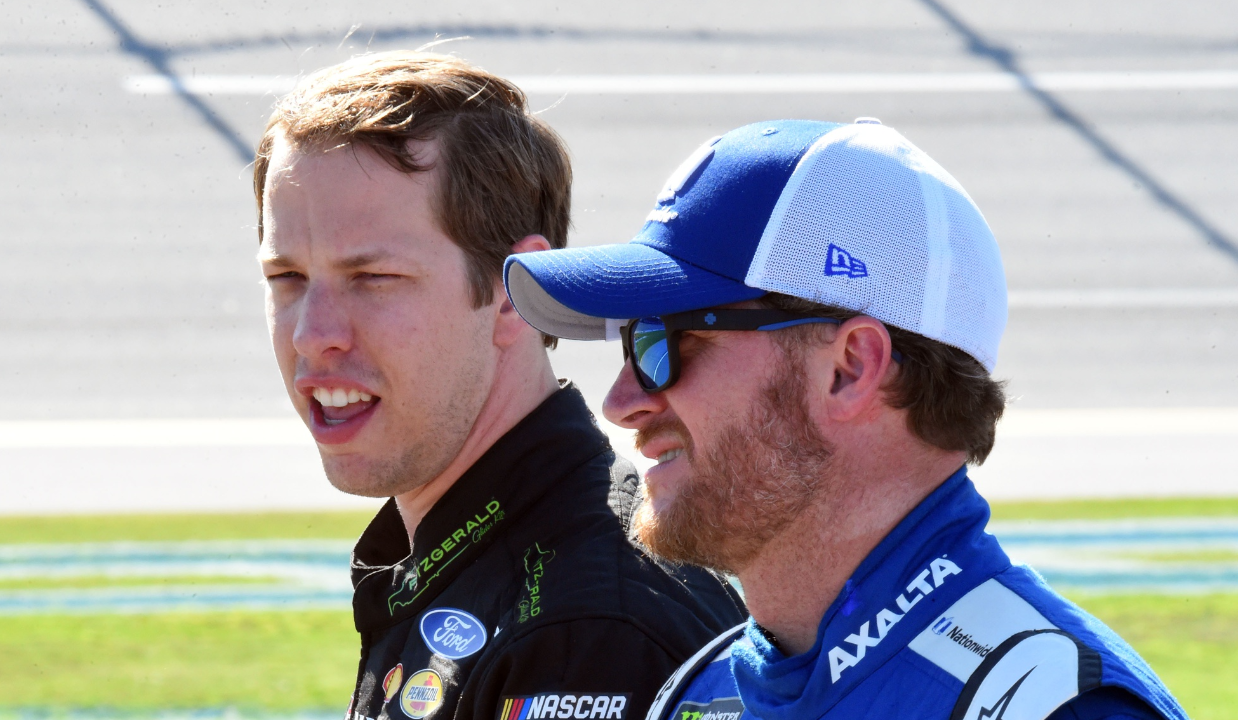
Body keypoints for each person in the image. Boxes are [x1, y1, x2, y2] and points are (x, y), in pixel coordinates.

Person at [503, 119, 1188, 720]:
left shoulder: (1046, 703)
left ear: (851, 367)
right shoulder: (701, 694)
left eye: (667, 342)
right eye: (630, 342)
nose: (622, 401)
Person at [252, 51, 745, 720]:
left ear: (517, 295)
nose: (313, 334)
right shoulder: (463, 559)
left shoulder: (586, 639)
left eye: (373, 279)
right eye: (288, 279)